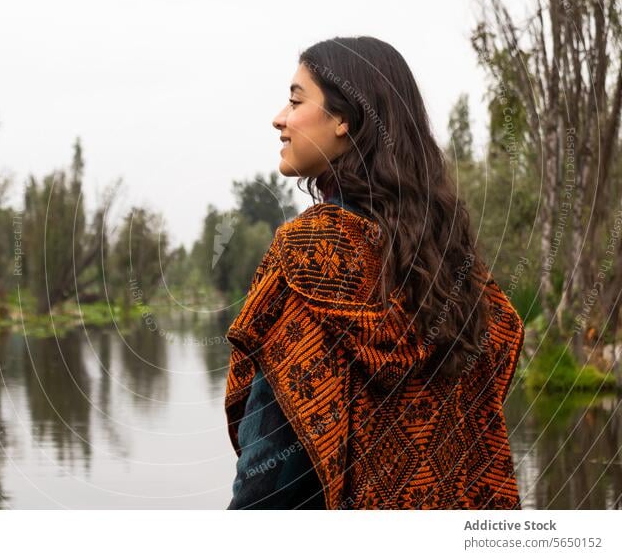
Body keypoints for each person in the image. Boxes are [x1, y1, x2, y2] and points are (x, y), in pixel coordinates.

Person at [224, 36, 525, 510]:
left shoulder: (310, 257)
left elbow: (273, 470)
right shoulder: (451, 268)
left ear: (345, 119)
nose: (279, 117)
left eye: (296, 99)